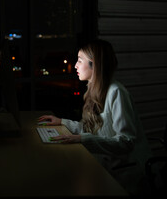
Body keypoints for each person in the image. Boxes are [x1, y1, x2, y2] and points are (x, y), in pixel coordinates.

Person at [38, 40, 152, 195]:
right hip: (105, 165)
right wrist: (62, 122)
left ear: (95, 65)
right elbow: (91, 129)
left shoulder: (116, 92)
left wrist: (82, 139)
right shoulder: (93, 92)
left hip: (124, 176)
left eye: (79, 60)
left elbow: (126, 142)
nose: (76, 65)